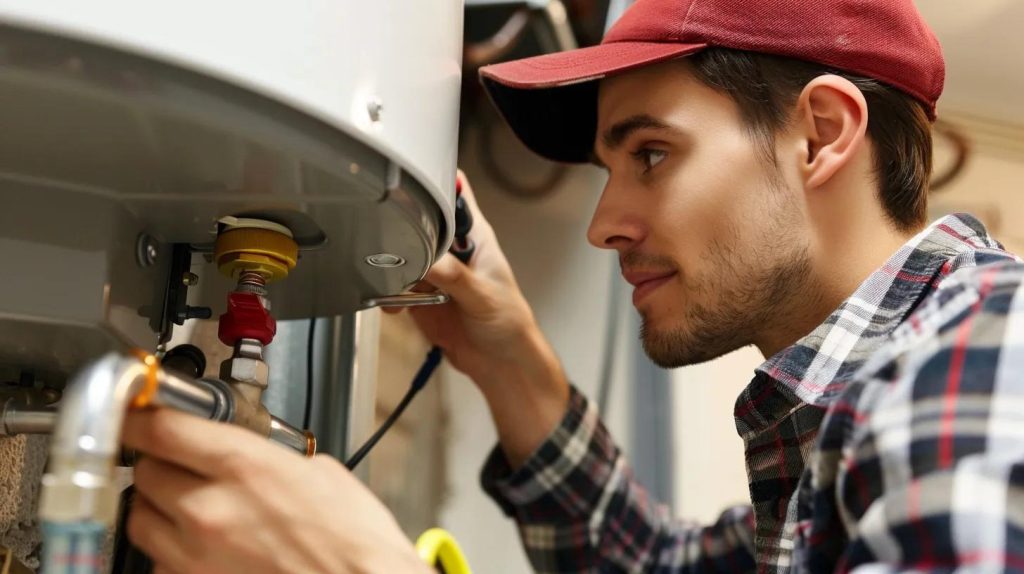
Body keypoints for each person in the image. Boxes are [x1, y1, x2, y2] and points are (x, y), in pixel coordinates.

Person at [123, 0, 1024, 571]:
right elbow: (650, 564)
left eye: (651, 153)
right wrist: (504, 351)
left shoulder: (982, 363)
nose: (604, 225)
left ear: (821, 132)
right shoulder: (843, 416)